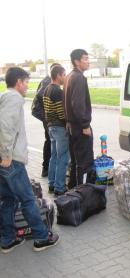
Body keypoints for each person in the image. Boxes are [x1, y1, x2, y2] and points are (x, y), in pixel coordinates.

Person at [0, 67, 59, 253]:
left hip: (5, 160)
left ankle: (8, 239)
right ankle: (42, 238)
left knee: (8, 200)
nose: (27, 86)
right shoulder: (14, 98)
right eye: (26, 82)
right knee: (27, 200)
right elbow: (5, 126)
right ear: (18, 82)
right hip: (11, 161)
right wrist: (7, 155)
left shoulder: (4, 96)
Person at [63, 49, 94, 187]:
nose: (88, 61)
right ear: (76, 61)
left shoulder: (69, 76)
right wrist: (85, 125)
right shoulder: (78, 77)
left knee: (75, 161)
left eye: (88, 58)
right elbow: (78, 105)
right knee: (84, 162)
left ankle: (73, 190)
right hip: (79, 128)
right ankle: (82, 193)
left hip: (71, 126)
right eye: (85, 59)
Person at [31, 63, 61, 178]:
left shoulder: (47, 80)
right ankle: (46, 169)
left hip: (46, 116)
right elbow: (40, 95)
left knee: (50, 141)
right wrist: (48, 110)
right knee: (50, 141)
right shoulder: (48, 80)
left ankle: (49, 169)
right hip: (46, 117)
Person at [43, 65, 69, 196]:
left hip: (50, 127)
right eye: (64, 75)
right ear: (58, 75)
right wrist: (68, 124)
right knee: (63, 157)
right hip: (59, 128)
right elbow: (61, 113)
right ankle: (60, 187)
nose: (65, 77)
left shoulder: (47, 89)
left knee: (53, 156)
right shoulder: (58, 91)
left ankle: (51, 184)